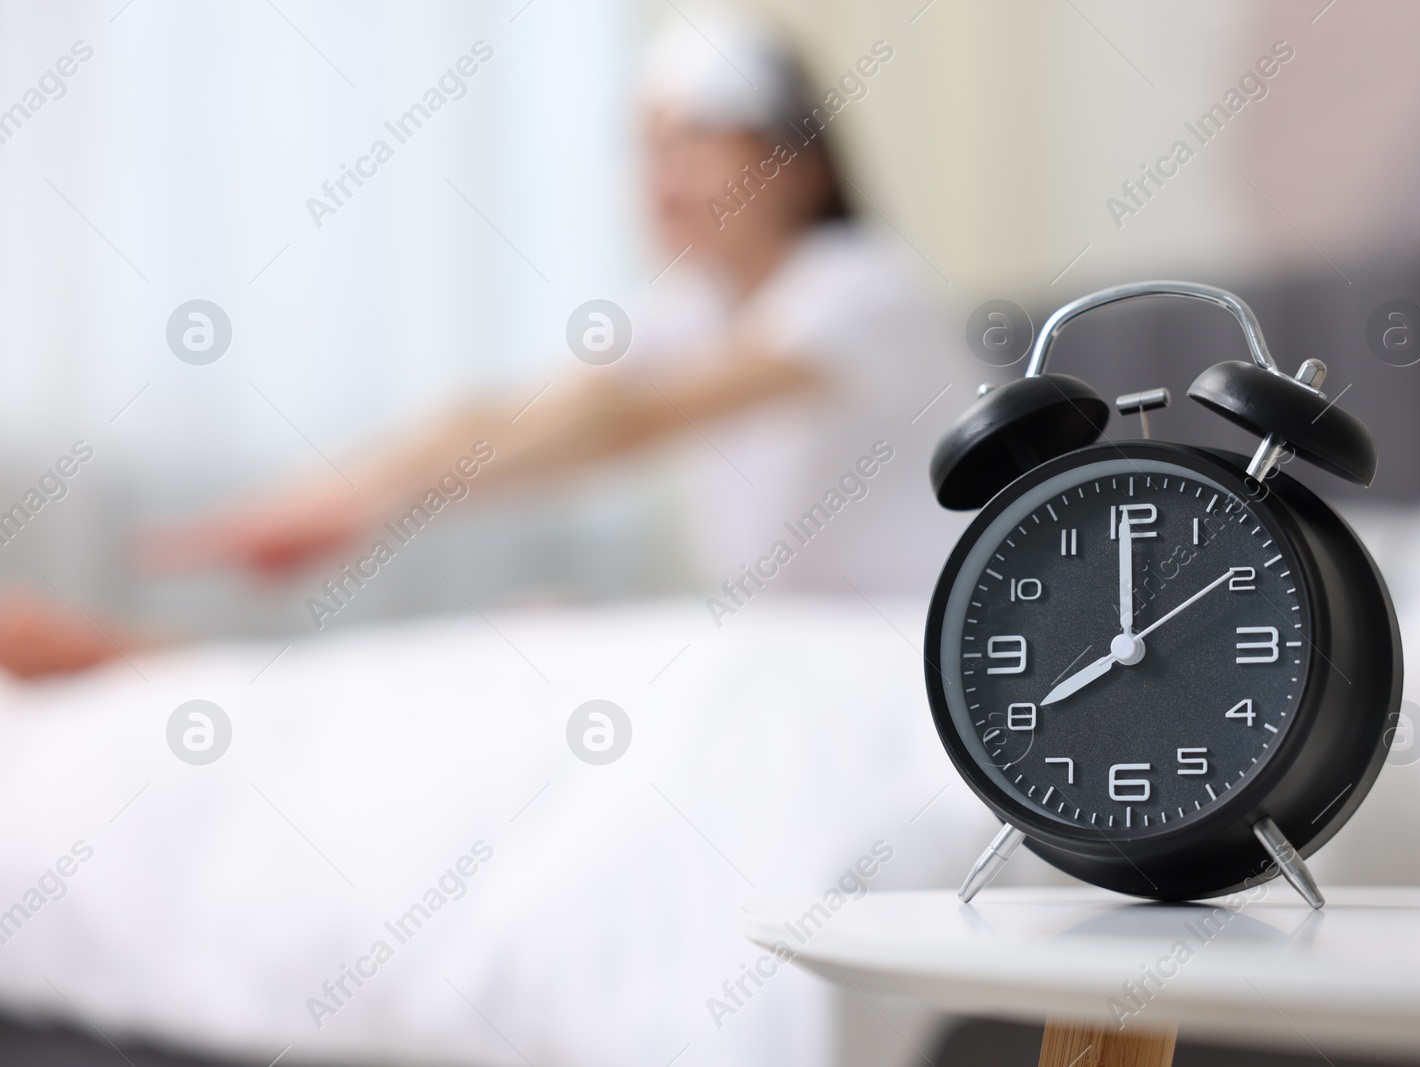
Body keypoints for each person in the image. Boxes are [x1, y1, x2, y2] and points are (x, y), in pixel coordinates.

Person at [0, 7, 967, 679]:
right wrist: (325, 501)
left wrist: (381, 503)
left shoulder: (858, 289)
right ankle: (187, 677)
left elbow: (618, 420)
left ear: (798, 168)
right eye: (648, 146)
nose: (664, 175)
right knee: (538, 641)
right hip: (787, 644)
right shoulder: (691, 308)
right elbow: (496, 420)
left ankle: (177, 676)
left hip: (905, 648)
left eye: (700, 140)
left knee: (557, 658)